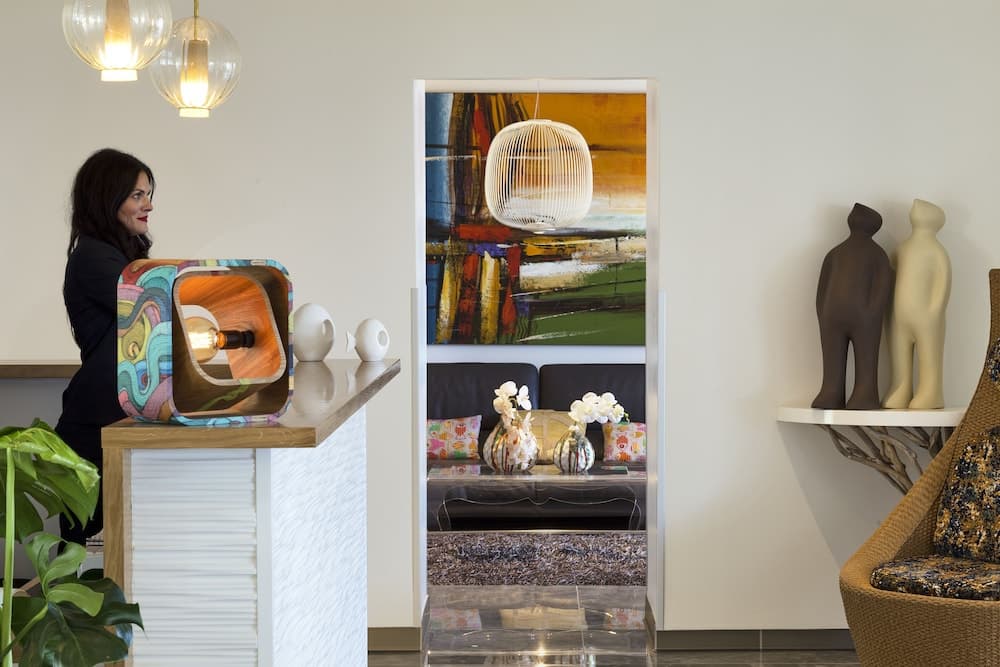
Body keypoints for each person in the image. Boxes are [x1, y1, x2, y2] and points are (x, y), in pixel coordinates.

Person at [56, 148, 154, 546]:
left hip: (111, 422)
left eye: (149, 195)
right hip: (94, 428)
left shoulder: (116, 256)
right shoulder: (94, 258)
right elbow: (156, 309)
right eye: (137, 195)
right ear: (107, 198)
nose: (148, 205)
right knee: (88, 561)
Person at [811, 202, 893, 410]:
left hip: (863, 317)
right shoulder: (834, 254)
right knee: (832, 359)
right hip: (833, 317)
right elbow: (822, 286)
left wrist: (873, 311)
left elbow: (883, 284)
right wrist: (822, 311)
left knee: (866, 359)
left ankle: (865, 394)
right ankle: (831, 392)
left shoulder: (877, 254)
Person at [883, 199, 951, 409]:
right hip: (897, 316)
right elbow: (890, 275)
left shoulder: (937, 251)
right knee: (898, 356)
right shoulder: (901, 249)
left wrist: (936, 310)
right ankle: (900, 389)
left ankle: (931, 392)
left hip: (927, 318)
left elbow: (944, 281)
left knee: (929, 356)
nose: (917, 204)